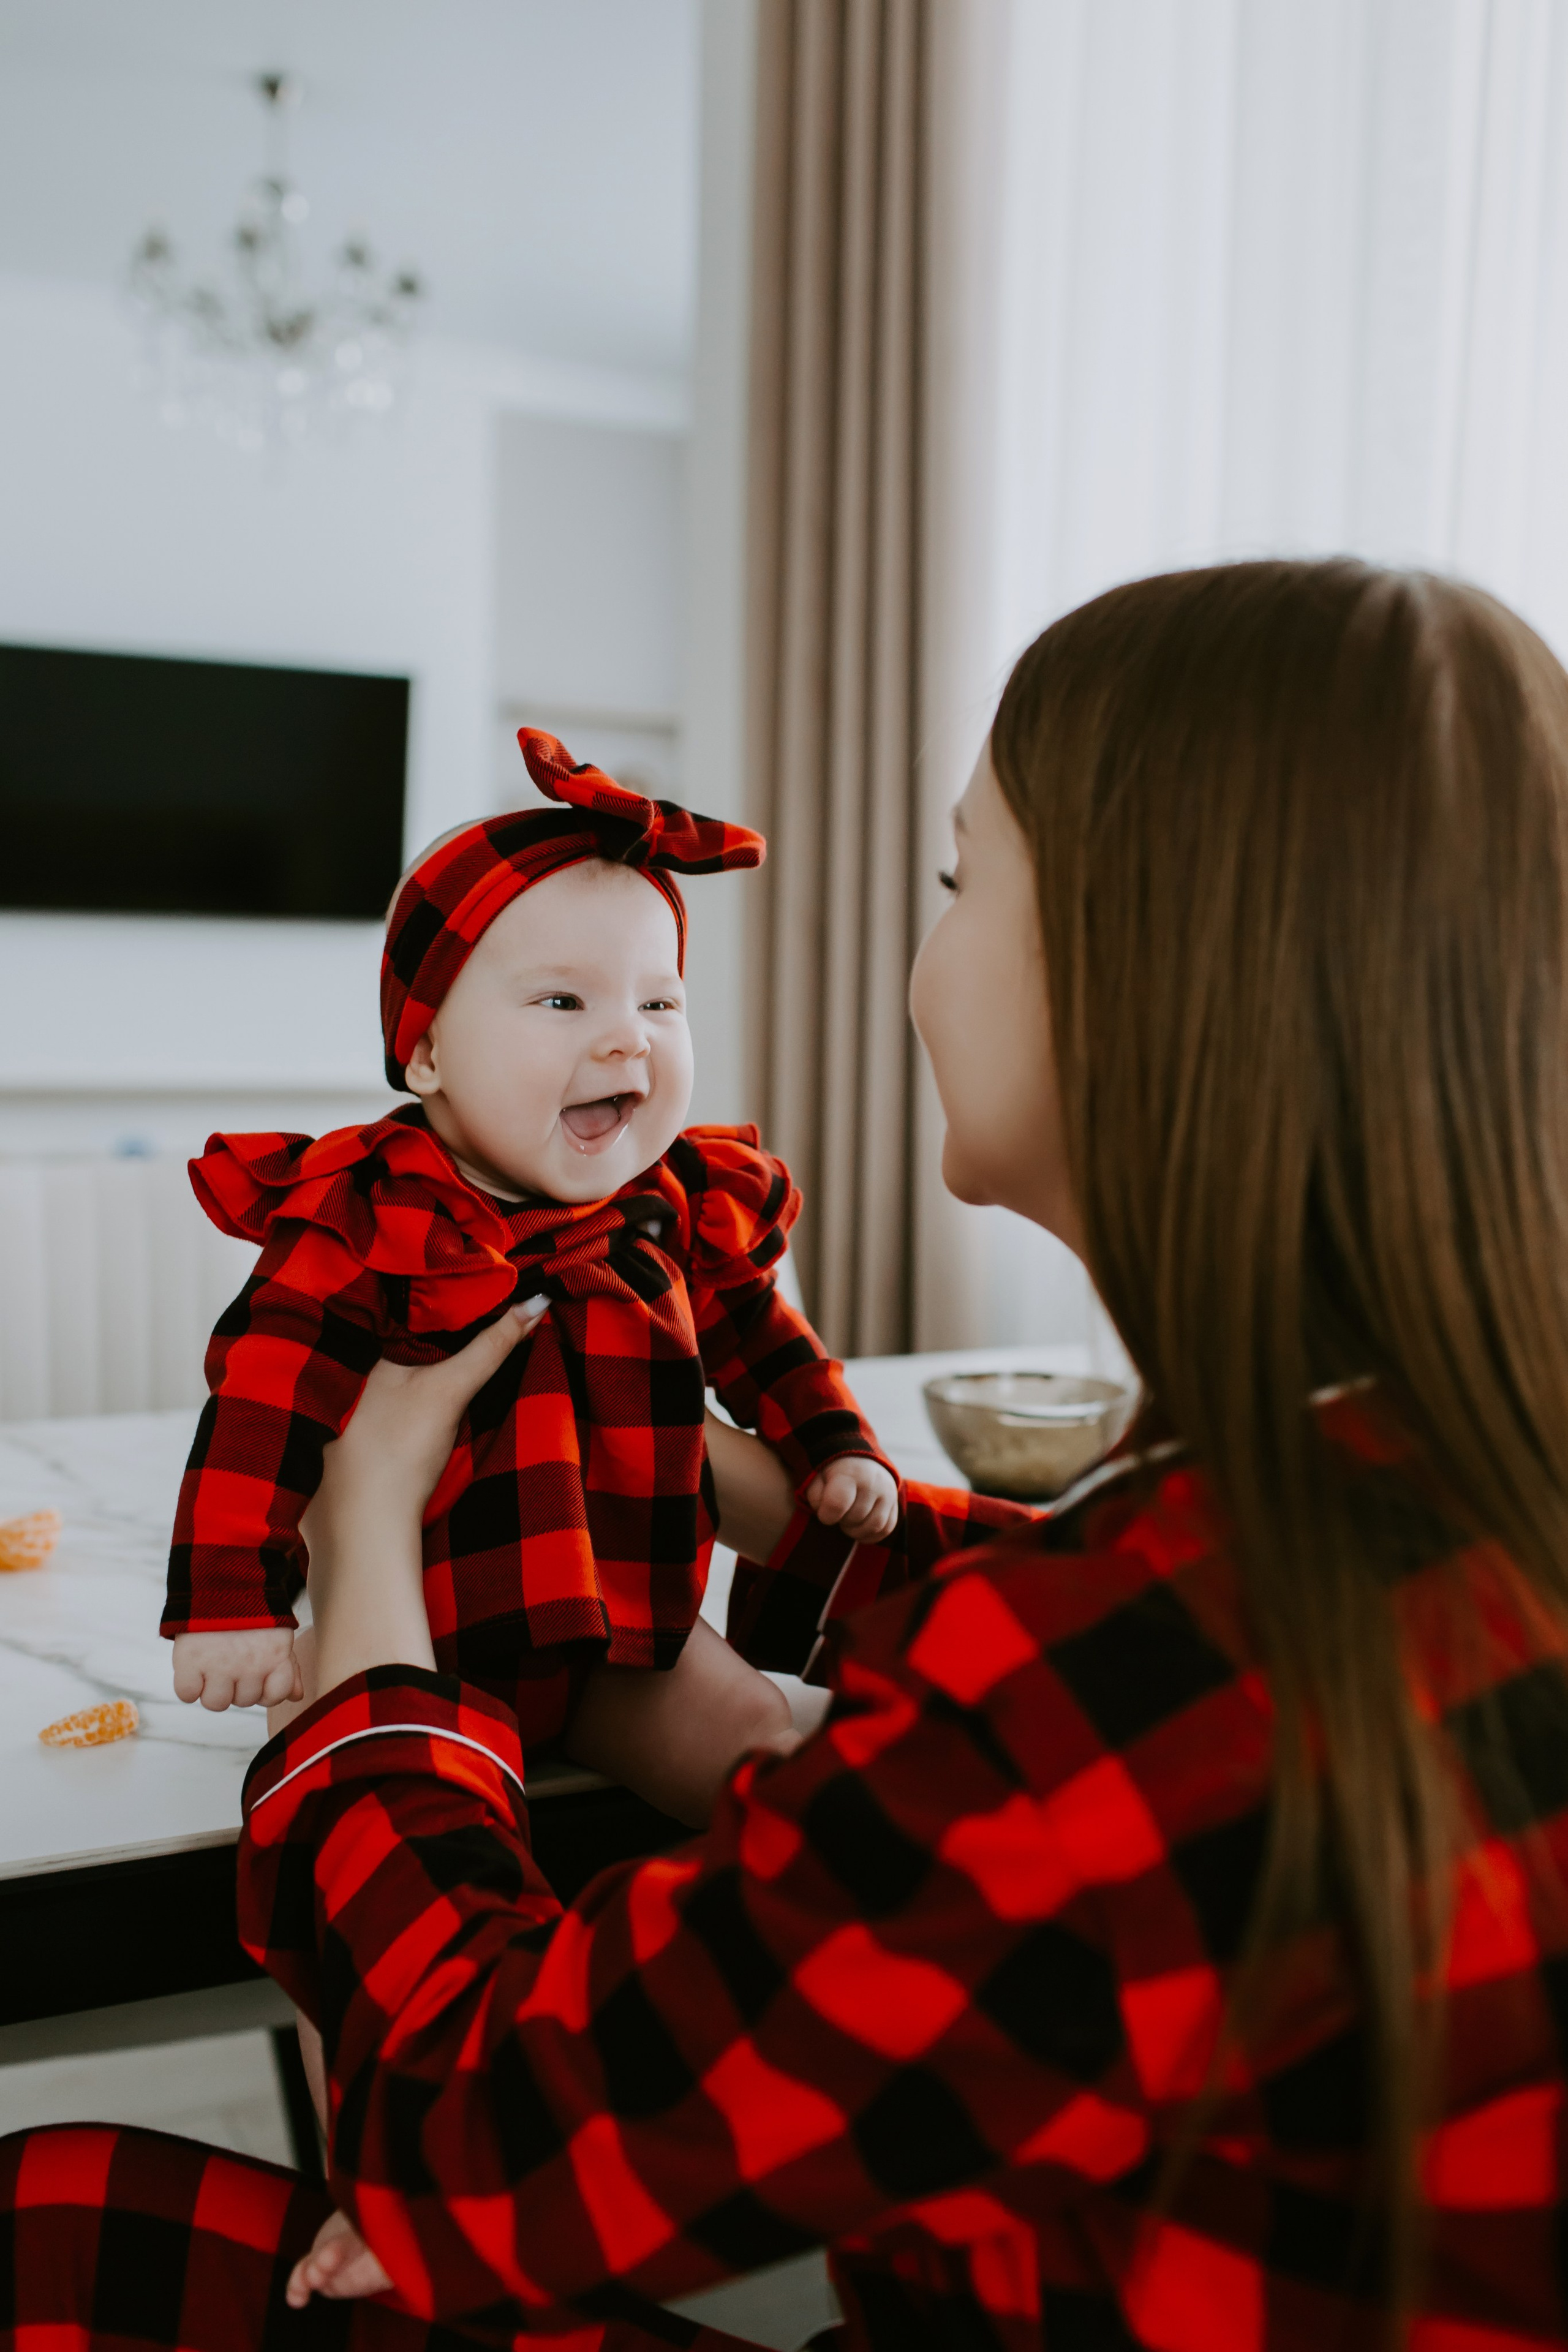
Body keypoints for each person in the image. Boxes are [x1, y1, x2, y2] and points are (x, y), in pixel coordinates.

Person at [9, 557, 1568, 2349]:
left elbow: (465, 2139)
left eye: (963, 881)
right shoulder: (1441, 1493)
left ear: (1139, 974)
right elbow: (1130, 1615)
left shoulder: (1088, 1718)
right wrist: (759, 1490)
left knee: (55, 2225)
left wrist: (365, 1548)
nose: (635, 1041)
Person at [162, 728, 899, 1826]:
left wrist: (836, 1443)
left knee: (756, 1736)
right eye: (564, 1003)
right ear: (426, 1054)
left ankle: (787, 1918)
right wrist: (231, 1603)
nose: (628, 1043)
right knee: (338, 1780)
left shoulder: (675, 1202)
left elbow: (762, 1334)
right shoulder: (368, 1217)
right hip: (414, 1627)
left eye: (659, 1005)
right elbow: (260, 1410)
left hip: (620, 1627)